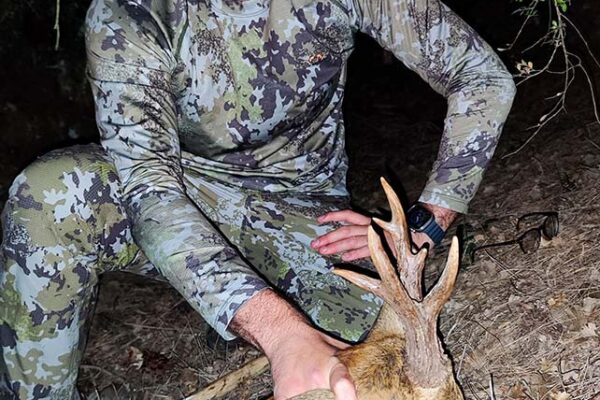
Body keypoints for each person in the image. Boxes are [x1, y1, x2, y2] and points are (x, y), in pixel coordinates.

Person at [0, 0, 516, 398]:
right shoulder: (132, 14)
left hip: (303, 212)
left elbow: (482, 78)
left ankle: (235, 310)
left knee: (379, 347)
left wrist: (426, 223)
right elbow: (150, 189)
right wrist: (280, 333)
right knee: (49, 196)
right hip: (184, 197)